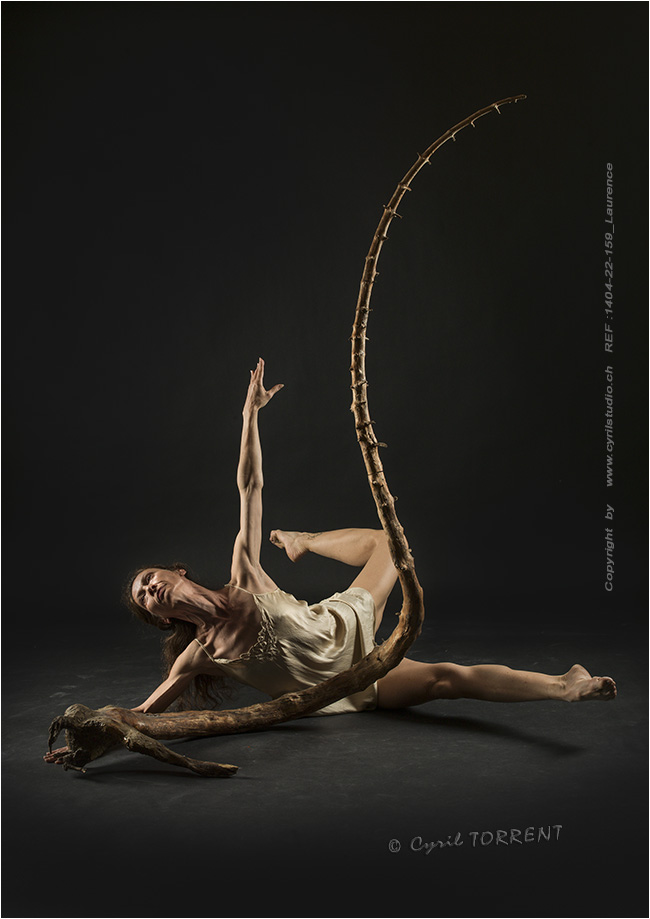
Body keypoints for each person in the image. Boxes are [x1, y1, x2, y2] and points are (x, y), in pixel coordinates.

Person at [44, 359, 616, 764]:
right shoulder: (198, 656)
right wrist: (91, 739)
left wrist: (250, 416)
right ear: (161, 617)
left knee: (390, 544)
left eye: (150, 580)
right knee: (447, 679)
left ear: (177, 573)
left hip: (344, 622)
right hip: (346, 687)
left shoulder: (244, 572)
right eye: (145, 598)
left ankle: (305, 539)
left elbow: (250, 486)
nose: (150, 591)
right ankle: (564, 686)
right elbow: (140, 715)